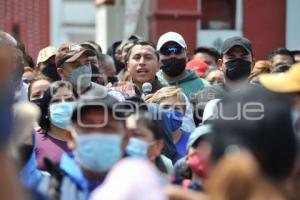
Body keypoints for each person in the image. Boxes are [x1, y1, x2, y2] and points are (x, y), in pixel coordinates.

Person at [40, 87, 128, 200]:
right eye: (87, 127)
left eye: (108, 128)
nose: (97, 135)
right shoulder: (47, 191)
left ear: (126, 137)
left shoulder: (148, 186)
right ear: (71, 138)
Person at [156, 32, 210, 100]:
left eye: (177, 50)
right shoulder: (151, 83)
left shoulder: (203, 87)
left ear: (187, 55)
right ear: (157, 56)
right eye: (166, 51)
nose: (173, 55)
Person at [35, 81, 75, 170]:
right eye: (56, 101)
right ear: (46, 111)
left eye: (69, 99)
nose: (64, 104)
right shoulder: (34, 140)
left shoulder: (88, 140)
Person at [146, 86, 190, 157]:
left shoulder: (192, 141)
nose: (171, 111)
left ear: (184, 112)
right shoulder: (149, 142)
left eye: (177, 108)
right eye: (165, 107)